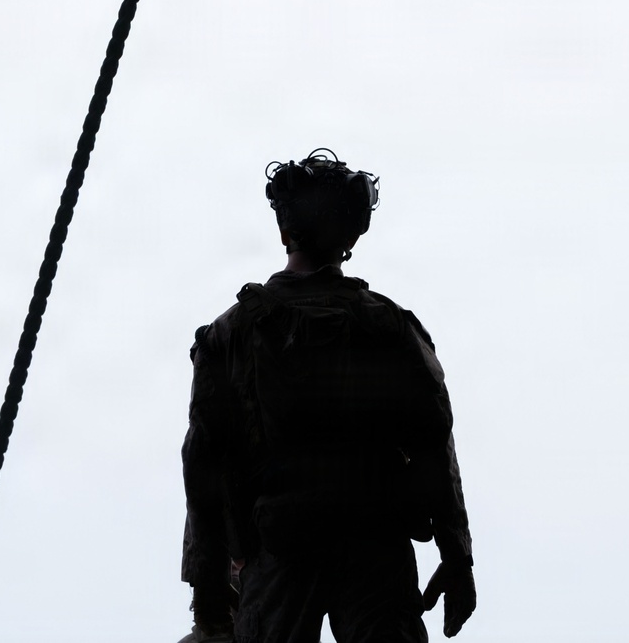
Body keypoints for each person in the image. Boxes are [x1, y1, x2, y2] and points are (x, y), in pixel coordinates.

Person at [177, 150, 476, 643]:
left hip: (279, 552)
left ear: (284, 231)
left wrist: (209, 595)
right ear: (351, 236)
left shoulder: (230, 333)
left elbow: (202, 464)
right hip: (374, 551)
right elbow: (433, 443)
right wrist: (456, 557)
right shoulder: (390, 326)